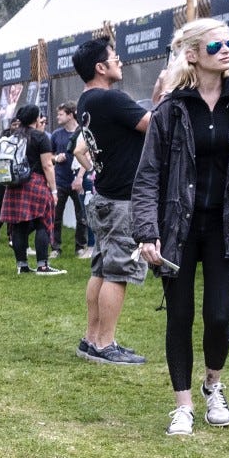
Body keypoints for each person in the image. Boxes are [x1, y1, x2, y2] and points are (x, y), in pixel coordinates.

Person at [134, 20, 229, 436]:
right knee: (181, 315)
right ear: (192, 53)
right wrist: (147, 230)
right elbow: (148, 174)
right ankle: (183, 405)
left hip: (228, 228)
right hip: (178, 227)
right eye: (215, 43)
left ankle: (213, 384)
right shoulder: (170, 109)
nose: (226, 48)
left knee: (219, 317)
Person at [71, 37, 153, 366]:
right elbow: (155, 126)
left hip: (105, 195)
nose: (120, 62)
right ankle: (105, 345)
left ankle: (92, 339)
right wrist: (164, 93)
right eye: (114, 58)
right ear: (100, 68)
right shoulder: (111, 99)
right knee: (117, 273)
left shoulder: (86, 101)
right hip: (122, 200)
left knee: (102, 269)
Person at [0, 106, 64, 276]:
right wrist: (54, 191)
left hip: (15, 183)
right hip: (35, 182)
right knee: (43, 222)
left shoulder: (13, 137)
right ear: (36, 119)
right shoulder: (41, 137)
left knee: (19, 225)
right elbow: (47, 165)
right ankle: (43, 266)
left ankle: (22, 265)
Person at [50, 102, 88, 259]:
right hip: (60, 180)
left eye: (61, 114)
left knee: (82, 216)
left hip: (79, 181)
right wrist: (56, 158)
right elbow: (49, 156)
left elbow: (88, 157)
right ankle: (55, 247)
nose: (58, 116)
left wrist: (80, 177)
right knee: (56, 216)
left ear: (71, 115)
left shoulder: (83, 133)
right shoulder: (56, 135)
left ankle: (80, 247)